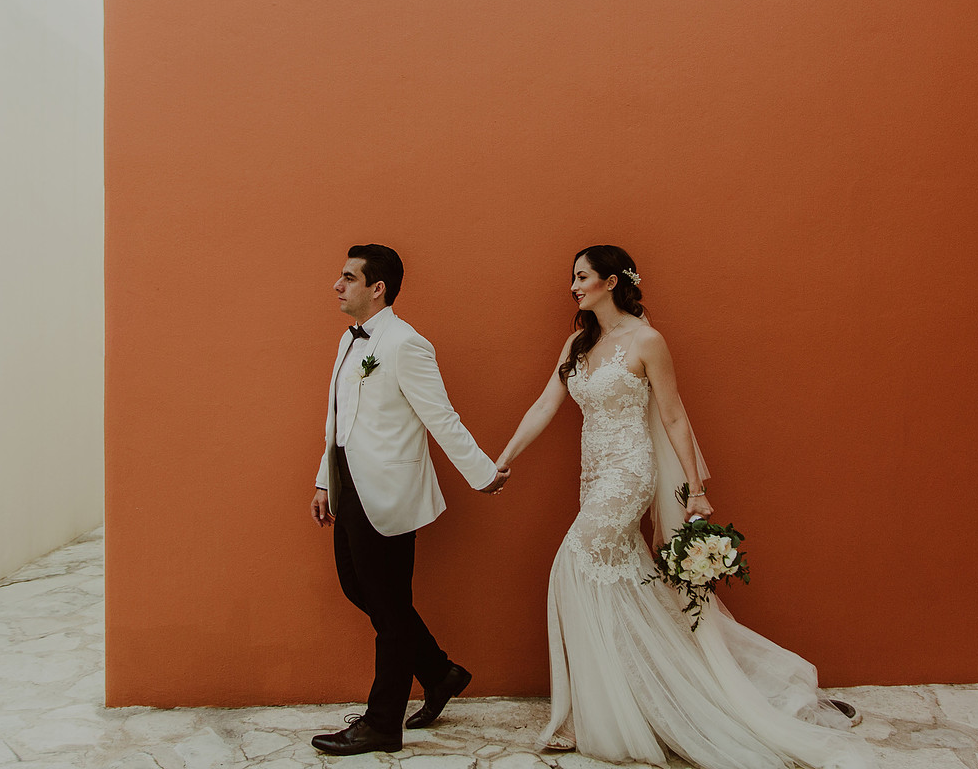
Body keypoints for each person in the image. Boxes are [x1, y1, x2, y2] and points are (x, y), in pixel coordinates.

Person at [494, 245, 873, 769]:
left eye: (582, 277)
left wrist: (695, 490)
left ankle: (600, 709)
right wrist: (504, 459)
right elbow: (545, 403)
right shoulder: (578, 342)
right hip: (593, 475)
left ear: (610, 281)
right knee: (628, 583)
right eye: (573, 278)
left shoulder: (647, 340)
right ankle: (644, 697)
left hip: (629, 472)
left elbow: (673, 418)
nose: (574, 286)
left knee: (574, 565)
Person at [309, 244, 510, 756]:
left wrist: (482, 473)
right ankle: (439, 673)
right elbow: (339, 417)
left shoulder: (406, 344)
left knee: (390, 610)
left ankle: (382, 723)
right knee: (362, 589)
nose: (338, 285)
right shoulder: (348, 340)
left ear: (377, 288)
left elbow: (440, 416)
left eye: (348, 277)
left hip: (389, 493)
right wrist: (324, 480)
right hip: (349, 486)